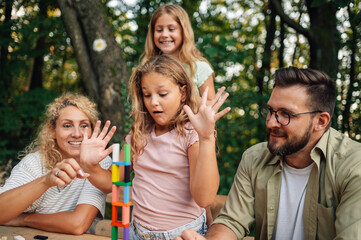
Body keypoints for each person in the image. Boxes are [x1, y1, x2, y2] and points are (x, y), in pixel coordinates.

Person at [175, 66, 361, 240]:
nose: (272, 122)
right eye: (271, 111)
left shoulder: (353, 165)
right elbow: (231, 221)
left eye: (286, 114)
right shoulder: (255, 157)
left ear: (320, 121)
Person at [114, 55, 230, 240]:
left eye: (162, 94)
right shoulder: (138, 135)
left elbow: (205, 198)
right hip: (138, 233)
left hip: (182, 235)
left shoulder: (191, 134)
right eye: (147, 95)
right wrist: (90, 165)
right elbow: (113, 179)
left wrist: (206, 138)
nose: (154, 102)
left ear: (183, 93)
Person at [0, 93, 116, 234]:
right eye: (67, 126)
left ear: (92, 131)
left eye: (84, 125)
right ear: (52, 130)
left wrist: (23, 220)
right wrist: (46, 181)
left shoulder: (100, 165)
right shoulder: (35, 162)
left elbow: (77, 224)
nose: (77, 134)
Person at [141, 4, 216, 102]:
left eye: (171, 29)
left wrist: (184, 96)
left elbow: (212, 109)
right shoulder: (148, 68)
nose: (164, 34)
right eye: (159, 30)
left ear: (183, 31)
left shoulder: (199, 68)